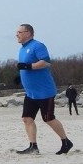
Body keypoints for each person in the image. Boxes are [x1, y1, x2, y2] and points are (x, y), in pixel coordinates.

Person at [15, 24, 73, 155]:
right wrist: (20, 77)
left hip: (44, 92)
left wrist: (29, 66)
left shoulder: (38, 46)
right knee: (27, 118)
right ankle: (33, 147)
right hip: (31, 93)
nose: (16, 35)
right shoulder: (22, 49)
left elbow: (46, 62)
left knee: (48, 118)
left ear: (28, 33)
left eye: (19, 32)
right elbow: (24, 67)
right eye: (16, 32)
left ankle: (66, 142)